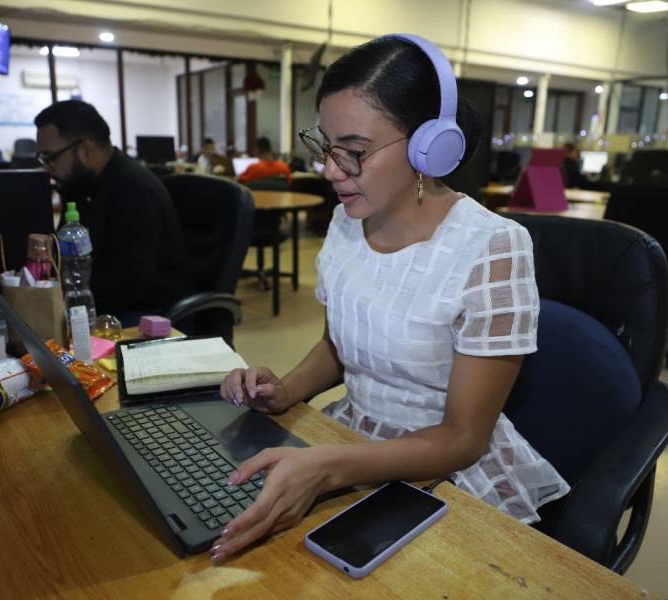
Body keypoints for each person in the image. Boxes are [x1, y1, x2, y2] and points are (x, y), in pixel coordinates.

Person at [213, 34, 569, 561]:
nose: (330, 170)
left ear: (431, 146)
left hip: (441, 463)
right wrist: (285, 391)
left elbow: (464, 437)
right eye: (325, 146)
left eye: (354, 152)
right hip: (351, 433)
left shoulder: (491, 247)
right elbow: (341, 346)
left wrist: (332, 465)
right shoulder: (344, 222)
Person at [34, 100, 191, 320]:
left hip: (147, 314)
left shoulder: (134, 189)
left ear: (85, 149)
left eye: (51, 157)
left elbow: (130, 284)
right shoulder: (81, 185)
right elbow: (64, 255)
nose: (47, 167)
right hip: (104, 302)